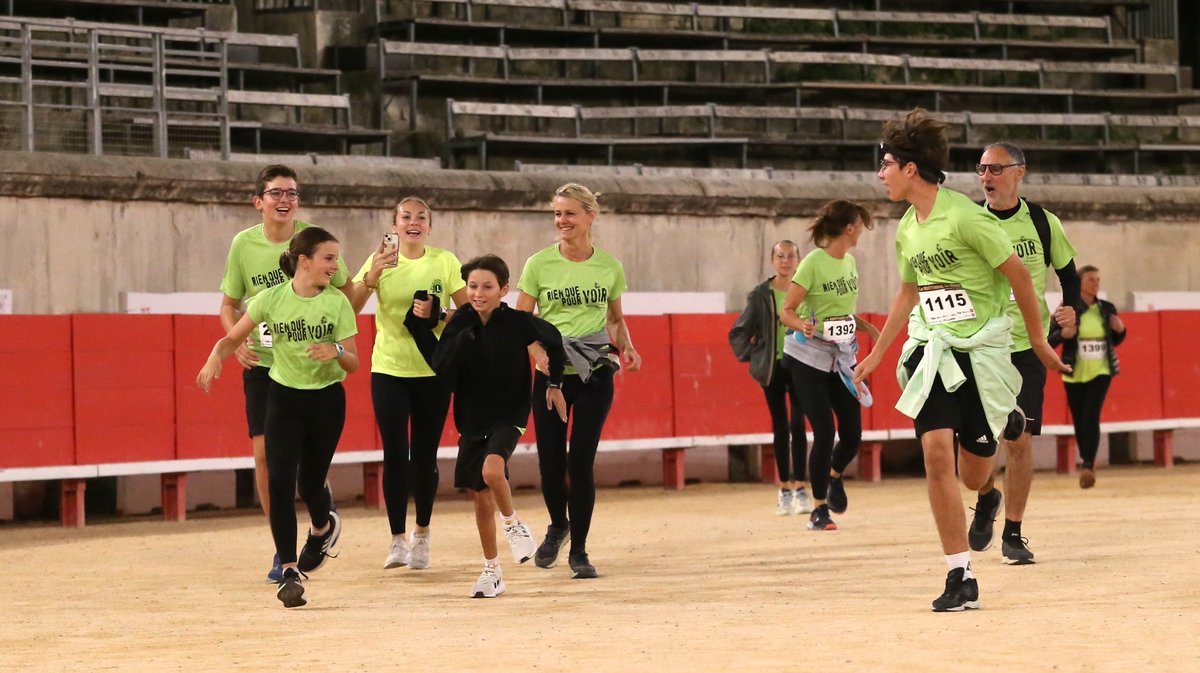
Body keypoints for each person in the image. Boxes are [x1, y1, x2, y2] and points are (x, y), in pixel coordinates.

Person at [854, 109, 1069, 612]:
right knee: (934, 456)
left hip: (984, 353)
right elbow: (909, 292)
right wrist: (879, 353)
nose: (880, 174)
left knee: (974, 474)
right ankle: (960, 575)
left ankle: (990, 488)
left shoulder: (968, 217)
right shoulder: (908, 226)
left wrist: (1037, 342)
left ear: (910, 169)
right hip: (933, 350)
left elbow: (1019, 277)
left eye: (885, 164)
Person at [199, 226, 359, 609]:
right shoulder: (270, 299)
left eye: (336, 259)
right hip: (283, 398)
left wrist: (334, 349)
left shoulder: (337, 302)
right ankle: (288, 570)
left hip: (326, 401)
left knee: (311, 482)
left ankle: (323, 527)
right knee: (280, 480)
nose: (335, 267)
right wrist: (214, 358)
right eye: (329, 258)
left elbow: (353, 362)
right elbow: (232, 337)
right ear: (304, 261)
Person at [218, 164, 349, 583]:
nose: (284, 200)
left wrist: (338, 344)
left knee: (306, 466)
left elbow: (344, 296)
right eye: (276, 193)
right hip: (264, 362)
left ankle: (319, 517)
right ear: (259, 201)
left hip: (311, 365)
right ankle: (283, 550)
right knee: (265, 455)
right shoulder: (243, 244)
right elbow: (229, 305)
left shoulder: (315, 240)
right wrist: (234, 341)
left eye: (291, 193)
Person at [516, 182, 642, 580]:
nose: (561, 221)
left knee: (580, 462)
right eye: (557, 214)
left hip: (594, 371)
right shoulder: (538, 264)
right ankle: (558, 525)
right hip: (552, 375)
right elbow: (521, 324)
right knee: (551, 465)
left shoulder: (609, 266)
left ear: (591, 216)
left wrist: (629, 347)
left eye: (569, 213)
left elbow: (614, 319)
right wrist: (541, 360)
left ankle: (581, 551)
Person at [968, 142, 1081, 566]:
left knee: (1019, 439)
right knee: (977, 442)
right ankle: (985, 497)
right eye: (981, 169)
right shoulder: (971, 222)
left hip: (1029, 345)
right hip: (980, 344)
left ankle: (1013, 533)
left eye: (996, 168)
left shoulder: (1042, 222)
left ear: (1020, 172)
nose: (986, 177)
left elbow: (1068, 273)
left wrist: (1070, 308)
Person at [431, 254, 568, 598]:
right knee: (479, 498)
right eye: (472, 286)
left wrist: (555, 384)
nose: (477, 293)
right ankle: (492, 570)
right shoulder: (460, 321)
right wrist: (461, 341)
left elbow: (554, 340)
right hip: (471, 418)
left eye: (487, 287)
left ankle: (514, 524)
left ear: (504, 289)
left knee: (494, 472)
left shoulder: (519, 322)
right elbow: (440, 366)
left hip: (510, 413)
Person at [347, 197, 467, 571]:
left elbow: (468, 314)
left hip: (433, 370)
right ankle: (397, 539)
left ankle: (423, 534)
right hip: (389, 368)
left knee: (425, 456)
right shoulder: (379, 259)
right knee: (395, 455)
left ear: (429, 226)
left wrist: (439, 314)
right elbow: (348, 306)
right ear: (394, 224)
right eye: (405, 217)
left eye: (420, 218)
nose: (413, 223)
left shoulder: (444, 261)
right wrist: (372, 275)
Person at [778, 201, 880, 532]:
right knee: (824, 430)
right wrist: (801, 325)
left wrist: (865, 327)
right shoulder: (812, 263)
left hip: (840, 355)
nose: (861, 232)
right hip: (806, 357)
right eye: (860, 226)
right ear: (849, 229)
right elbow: (787, 311)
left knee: (852, 433)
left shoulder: (849, 262)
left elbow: (841, 312)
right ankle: (818, 510)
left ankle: (834, 477)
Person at [729, 240, 812, 516]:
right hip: (773, 367)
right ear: (772, 261)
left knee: (798, 424)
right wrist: (756, 356)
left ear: (798, 260)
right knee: (780, 425)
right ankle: (785, 488)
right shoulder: (760, 294)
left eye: (790, 256)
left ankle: (800, 487)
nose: (785, 261)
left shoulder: (805, 291)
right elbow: (739, 331)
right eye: (780, 256)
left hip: (800, 363)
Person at [1049, 265, 1126, 489]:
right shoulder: (1066, 309)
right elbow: (1049, 339)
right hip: (1074, 371)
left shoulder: (1107, 308)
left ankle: (1088, 465)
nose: (1096, 284)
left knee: (1091, 413)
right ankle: (1087, 460)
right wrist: (1063, 334)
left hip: (1101, 370)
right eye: (1091, 279)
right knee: (1080, 418)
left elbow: (1115, 341)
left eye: (1098, 280)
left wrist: (1120, 331)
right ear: (1080, 283)